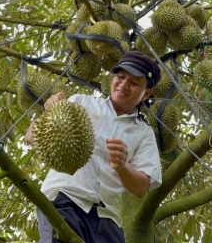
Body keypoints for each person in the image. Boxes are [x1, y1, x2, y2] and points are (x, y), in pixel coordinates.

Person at [25, 51, 163, 243]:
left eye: (134, 83)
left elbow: (141, 187)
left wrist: (123, 166)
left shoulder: (143, 133)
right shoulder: (81, 102)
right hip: (66, 200)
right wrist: (50, 111)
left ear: (146, 93)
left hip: (108, 220)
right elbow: (31, 136)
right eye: (121, 77)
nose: (123, 85)